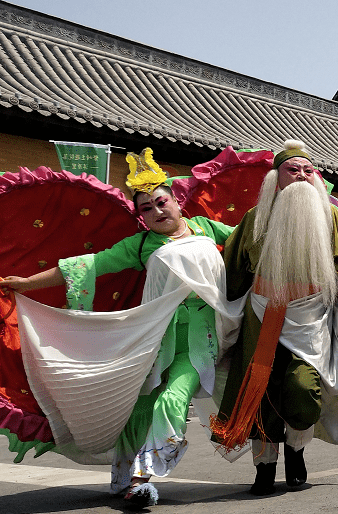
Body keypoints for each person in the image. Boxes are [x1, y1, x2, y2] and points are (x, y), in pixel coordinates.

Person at [0, 150, 243, 507]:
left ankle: (145, 478)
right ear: (142, 217)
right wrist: (25, 283)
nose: (158, 212)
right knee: (142, 406)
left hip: (203, 340)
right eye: (147, 209)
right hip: (156, 336)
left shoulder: (208, 229)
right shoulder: (142, 245)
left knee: (173, 399)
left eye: (162, 203)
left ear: (176, 202)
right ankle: (126, 475)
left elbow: (252, 239)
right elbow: (86, 266)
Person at [212, 139, 338, 495]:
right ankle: (265, 467)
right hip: (262, 317)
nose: (302, 175)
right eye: (293, 169)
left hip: (310, 321)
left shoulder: (331, 217)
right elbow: (233, 269)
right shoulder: (255, 219)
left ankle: (296, 448)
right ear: (276, 177)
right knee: (261, 393)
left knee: (303, 391)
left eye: (308, 170)